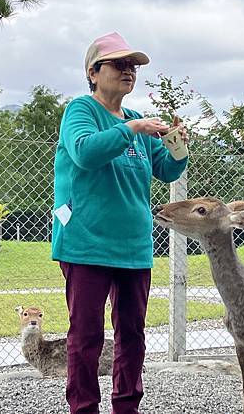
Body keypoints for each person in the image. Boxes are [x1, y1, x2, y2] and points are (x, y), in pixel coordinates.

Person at [51, 31, 189, 414]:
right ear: (93, 72)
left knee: (133, 335)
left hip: (134, 247)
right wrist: (131, 129)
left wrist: (177, 145)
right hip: (86, 244)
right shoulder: (81, 111)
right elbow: (84, 153)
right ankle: (84, 408)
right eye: (120, 64)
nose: (130, 71)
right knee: (86, 335)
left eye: (134, 66)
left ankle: (127, 407)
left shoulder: (136, 121)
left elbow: (165, 169)